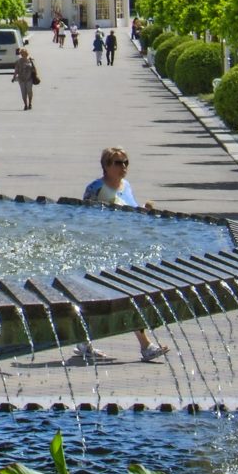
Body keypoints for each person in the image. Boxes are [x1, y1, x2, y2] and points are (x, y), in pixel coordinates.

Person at [81, 148, 164, 361]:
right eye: (118, 163)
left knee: (125, 295)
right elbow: (85, 218)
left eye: (125, 162)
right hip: (101, 249)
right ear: (106, 166)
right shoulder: (96, 188)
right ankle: (144, 346)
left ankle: (143, 345)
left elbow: (131, 211)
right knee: (107, 296)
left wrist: (144, 211)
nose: (123, 167)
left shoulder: (126, 186)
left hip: (124, 248)